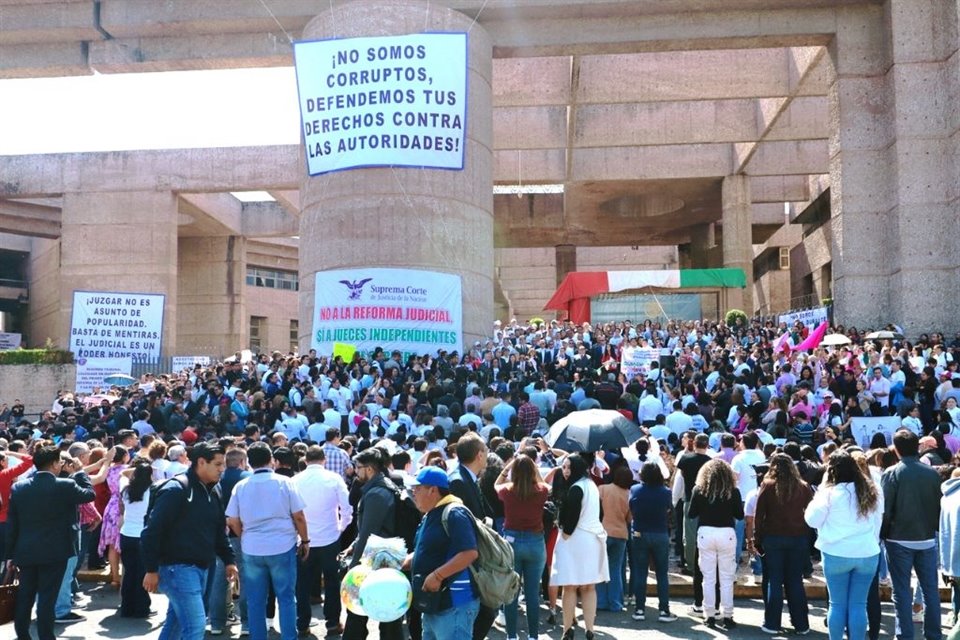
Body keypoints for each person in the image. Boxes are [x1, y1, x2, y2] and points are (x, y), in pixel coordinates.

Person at [141, 442, 239, 640]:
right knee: (195, 627)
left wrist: (229, 560)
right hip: (176, 568)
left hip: (202, 566)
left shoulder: (214, 490)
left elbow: (219, 530)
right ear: (201, 462)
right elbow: (151, 532)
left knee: (176, 624)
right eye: (218, 464)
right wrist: (151, 569)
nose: (222, 469)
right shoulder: (176, 490)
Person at [6, 444, 96, 640]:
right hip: (56, 551)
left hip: (26, 550)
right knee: (47, 597)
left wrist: (10, 555)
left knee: (25, 596)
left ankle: (23, 636)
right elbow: (90, 494)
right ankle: (46, 636)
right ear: (55, 464)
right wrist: (80, 472)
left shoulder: (19, 487)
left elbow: (13, 524)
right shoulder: (65, 485)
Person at [226, 441, 309, 640]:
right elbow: (299, 516)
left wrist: (243, 534)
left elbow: (232, 519)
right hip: (282, 546)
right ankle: (289, 637)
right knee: (287, 598)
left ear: (249, 462)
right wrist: (305, 540)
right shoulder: (285, 482)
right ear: (271, 460)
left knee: (256, 600)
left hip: (252, 547)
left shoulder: (241, 486)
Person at [805, 450, 882, 640]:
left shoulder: (829, 493)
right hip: (867, 552)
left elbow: (812, 520)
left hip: (836, 553)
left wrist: (822, 489)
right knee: (858, 604)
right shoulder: (871, 489)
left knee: (837, 605)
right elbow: (878, 520)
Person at [881, 429, 943, 640]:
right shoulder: (932, 473)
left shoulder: (891, 473)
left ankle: (904, 635)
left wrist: (883, 533)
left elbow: (886, 509)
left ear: (896, 449)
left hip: (898, 538)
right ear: (917, 447)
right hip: (926, 538)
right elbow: (937, 507)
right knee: (929, 590)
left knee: (901, 591)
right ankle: (934, 635)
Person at [408, 466, 480, 640]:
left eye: (417, 489)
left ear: (432, 490)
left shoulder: (455, 512)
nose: (413, 493)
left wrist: (438, 576)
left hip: (454, 605)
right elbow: (424, 551)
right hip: (434, 602)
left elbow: (469, 552)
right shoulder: (430, 514)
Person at [292, 445, 352, 637]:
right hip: (329, 538)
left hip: (303, 539)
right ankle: (332, 623)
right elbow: (347, 509)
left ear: (306, 460)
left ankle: (302, 624)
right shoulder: (334, 479)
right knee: (332, 582)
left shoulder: (295, 480)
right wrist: (339, 529)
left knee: (302, 584)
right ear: (323, 459)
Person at [342, 447, 402, 640]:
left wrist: (353, 568)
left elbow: (368, 533)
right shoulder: (380, 488)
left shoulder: (376, 493)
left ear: (369, 469)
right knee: (387, 616)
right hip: (382, 560)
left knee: (359, 615)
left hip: (376, 562)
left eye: (358, 467)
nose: (355, 472)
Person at [550, 454, 609, 640]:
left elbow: (571, 520)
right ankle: (590, 629)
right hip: (593, 538)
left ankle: (567, 629)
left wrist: (564, 535)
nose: (565, 471)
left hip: (575, 539)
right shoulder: (591, 484)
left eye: (568, 467)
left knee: (570, 586)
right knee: (589, 587)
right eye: (564, 467)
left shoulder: (576, 488)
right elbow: (601, 513)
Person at [754, 453, 813, 634]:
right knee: (795, 581)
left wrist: (757, 539)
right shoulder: (803, 487)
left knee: (774, 580)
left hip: (773, 538)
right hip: (798, 538)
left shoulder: (768, 485)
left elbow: (759, 515)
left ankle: (772, 623)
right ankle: (801, 623)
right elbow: (810, 514)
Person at [494, 454, 550, 640]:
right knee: (533, 594)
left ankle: (511, 635)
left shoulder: (508, 491)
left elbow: (496, 485)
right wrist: (534, 468)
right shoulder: (540, 490)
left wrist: (508, 466)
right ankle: (533, 636)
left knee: (511, 593)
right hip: (535, 542)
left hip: (512, 542)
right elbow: (546, 486)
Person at [447, 432, 496, 640]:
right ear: (479, 455)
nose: (487, 455)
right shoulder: (458, 481)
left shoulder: (469, 477)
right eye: (486, 451)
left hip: (472, 556)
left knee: (486, 611)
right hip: (463, 559)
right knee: (482, 612)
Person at [687, 458, 743, 630]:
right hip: (726, 532)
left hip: (706, 533)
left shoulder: (699, 489)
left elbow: (691, 514)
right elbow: (739, 515)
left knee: (708, 578)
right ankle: (727, 615)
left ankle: (709, 615)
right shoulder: (733, 491)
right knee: (726, 578)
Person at [628, 461, 677, 623]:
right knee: (662, 573)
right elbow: (670, 511)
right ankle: (664, 610)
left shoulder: (635, 490)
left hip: (640, 532)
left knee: (640, 572)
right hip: (660, 532)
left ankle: (639, 609)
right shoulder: (666, 492)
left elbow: (631, 509)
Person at [118, 459, 153, 618]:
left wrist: (137, 470)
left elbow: (122, 473)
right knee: (141, 573)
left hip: (126, 535)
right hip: (143, 537)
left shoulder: (126, 490)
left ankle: (127, 606)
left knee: (129, 573)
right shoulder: (152, 492)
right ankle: (141, 607)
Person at [596, 465, 633, 613]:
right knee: (616, 569)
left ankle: (601, 601)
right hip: (621, 534)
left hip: (603, 532)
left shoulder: (603, 489)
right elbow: (629, 518)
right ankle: (616, 602)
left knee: (600, 568)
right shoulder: (629, 494)